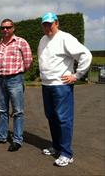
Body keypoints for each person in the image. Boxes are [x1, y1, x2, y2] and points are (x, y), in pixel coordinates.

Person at [38, 12, 92, 166]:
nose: (47, 26)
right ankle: (56, 146)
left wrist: (77, 75)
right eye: (45, 24)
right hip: (46, 85)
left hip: (61, 86)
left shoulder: (65, 38)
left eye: (50, 23)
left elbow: (85, 54)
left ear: (57, 23)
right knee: (52, 117)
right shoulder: (43, 39)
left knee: (63, 119)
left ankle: (67, 153)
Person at [0, 19, 33, 152]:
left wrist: (19, 73)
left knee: (18, 111)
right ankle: (1, 136)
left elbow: (28, 60)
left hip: (15, 79)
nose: (5, 30)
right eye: (3, 28)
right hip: (0, 80)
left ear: (13, 28)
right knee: (2, 110)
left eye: (8, 27)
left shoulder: (21, 42)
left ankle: (17, 140)